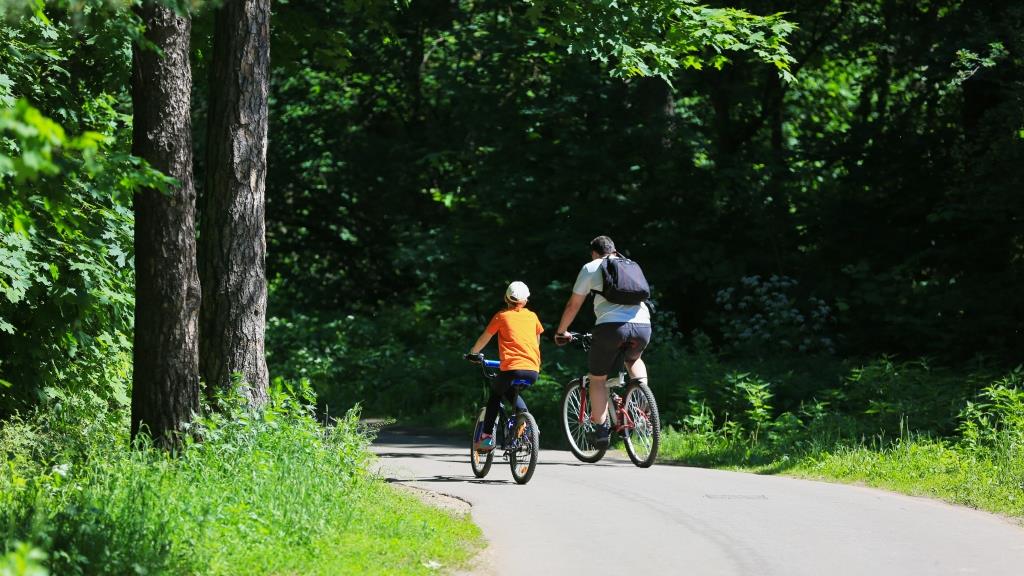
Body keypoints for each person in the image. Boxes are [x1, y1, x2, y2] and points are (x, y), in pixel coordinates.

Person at [554, 235, 651, 449]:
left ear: (594, 253)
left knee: (597, 379)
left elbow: (573, 305)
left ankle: (600, 432)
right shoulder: (630, 265)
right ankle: (643, 404)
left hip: (611, 328)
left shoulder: (591, 267)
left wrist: (561, 331)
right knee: (634, 360)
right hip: (643, 326)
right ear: (614, 250)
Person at [468, 281, 544, 452]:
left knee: (496, 394)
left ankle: (486, 437)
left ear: (505, 298)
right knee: (510, 389)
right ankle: (526, 422)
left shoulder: (501, 316)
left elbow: (485, 337)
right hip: (533, 369)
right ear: (525, 300)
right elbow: (536, 341)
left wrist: (473, 353)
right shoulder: (532, 316)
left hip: (511, 367)